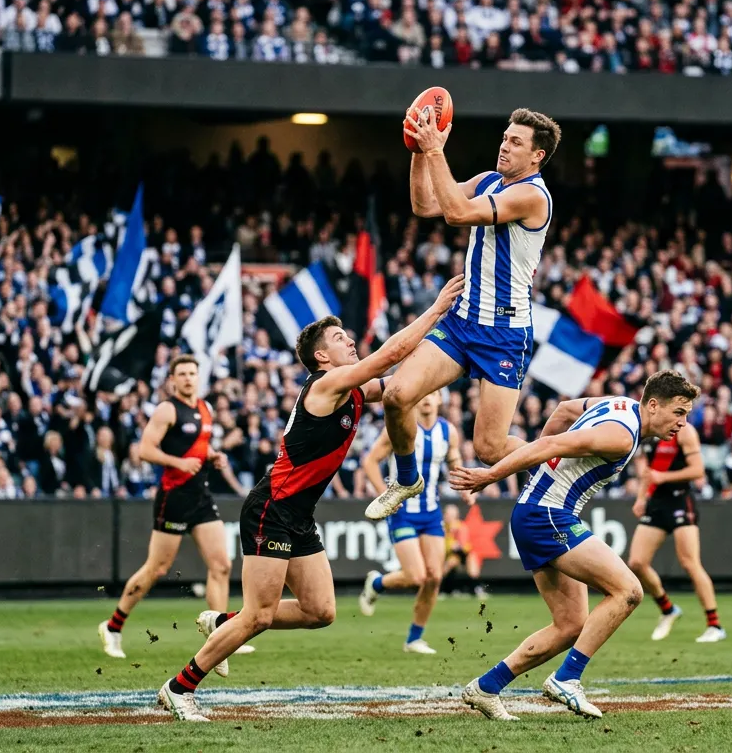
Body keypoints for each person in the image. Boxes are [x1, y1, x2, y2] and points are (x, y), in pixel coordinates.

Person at [157, 275, 464, 721]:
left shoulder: (352, 390)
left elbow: (404, 384)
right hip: (271, 510)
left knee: (320, 610)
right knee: (258, 616)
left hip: (298, 515)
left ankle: (223, 622)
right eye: (340, 338)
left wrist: (464, 359)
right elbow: (389, 357)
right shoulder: (324, 386)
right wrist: (436, 311)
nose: (351, 341)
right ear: (322, 356)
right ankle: (178, 688)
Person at [449, 371, 699, 720]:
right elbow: (549, 446)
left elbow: (566, 410)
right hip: (548, 515)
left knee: (571, 625)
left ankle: (486, 687)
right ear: (654, 405)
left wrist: (548, 466)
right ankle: (567, 678)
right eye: (679, 412)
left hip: (537, 512)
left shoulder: (623, 405)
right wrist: (490, 476)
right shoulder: (621, 436)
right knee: (628, 591)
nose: (683, 423)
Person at [365, 106, 561, 520]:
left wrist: (436, 151)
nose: (504, 147)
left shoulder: (531, 195)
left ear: (537, 155)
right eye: (505, 138)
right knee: (398, 395)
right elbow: (426, 205)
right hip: (462, 322)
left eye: (516, 142)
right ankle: (405, 478)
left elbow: (457, 214)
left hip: (505, 332)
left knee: (488, 448)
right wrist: (420, 150)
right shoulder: (491, 181)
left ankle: (563, 463)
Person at [100, 356, 248, 676]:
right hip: (174, 497)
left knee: (221, 565)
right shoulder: (167, 409)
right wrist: (179, 463)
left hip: (201, 496)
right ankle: (113, 626)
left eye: (192, 373)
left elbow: (198, 446)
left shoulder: (206, 409)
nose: (188, 378)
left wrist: (214, 457)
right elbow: (146, 450)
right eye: (181, 374)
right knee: (158, 568)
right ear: (172, 379)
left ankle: (218, 637)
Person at [357, 390, 466, 654]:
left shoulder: (448, 431)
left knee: (434, 577)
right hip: (403, 511)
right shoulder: (401, 425)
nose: (428, 398)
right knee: (416, 576)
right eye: (425, 393)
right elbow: (370, 461)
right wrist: (385, 495)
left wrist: (464, 483)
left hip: (431, 512)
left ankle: (414, 639)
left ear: (441, 399)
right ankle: (376, 584)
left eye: (435, 393)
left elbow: (454, 458)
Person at [626, 422, 725, 643]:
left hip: (680, 501)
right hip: (657, 503)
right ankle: (668, 609)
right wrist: (641, 497)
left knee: (690, 562)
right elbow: (649, 472)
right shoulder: (651, 432)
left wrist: (663, 478)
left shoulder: (685, 431)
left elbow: (697, 470)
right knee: (636, 563)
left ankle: (714, 625)